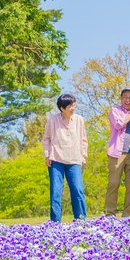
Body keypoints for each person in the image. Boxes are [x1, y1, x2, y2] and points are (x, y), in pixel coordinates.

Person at [43, 93, 88, 222]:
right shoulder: (52, 120)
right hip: (56, 160)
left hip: (74, 160)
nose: (73, 107)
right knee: (56, 192)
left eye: (74, 104)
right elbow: (46, 139)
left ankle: (81, 220)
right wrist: (47, 155)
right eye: (70, 106)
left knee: (78, 190)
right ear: (62, 108)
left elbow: (84, 139)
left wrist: (83, 156)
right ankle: (55, 223)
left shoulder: (79, 119)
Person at [104, 88, 130, 217]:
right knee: (113, 183)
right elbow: (119, 124)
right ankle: (110, 214)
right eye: (125, 97)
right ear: (121, 98)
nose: (128, 100)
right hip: (117, 153)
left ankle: (127, 215)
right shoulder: (115, 110)